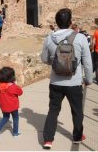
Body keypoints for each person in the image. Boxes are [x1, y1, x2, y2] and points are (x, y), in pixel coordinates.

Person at [40, 8, 93, 149]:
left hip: (55, 82)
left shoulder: (49, 38)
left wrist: (57, 62)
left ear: (56, 23)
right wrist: (88, 79)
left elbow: (44, 59)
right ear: (70, 22)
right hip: (74, 82)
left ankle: (48, 139)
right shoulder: (80, 38)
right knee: (77, 110)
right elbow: (87, 62)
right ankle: (77, 136)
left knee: (53, 109)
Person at [0, 67, 23, 140]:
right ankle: (15, 133)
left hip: (4, 106)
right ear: (12, 77)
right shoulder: (13, 87)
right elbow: (20, 92)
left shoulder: (0, 86)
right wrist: (16, 84)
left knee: (5, 118)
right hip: (13, 106)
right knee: (15, 118)